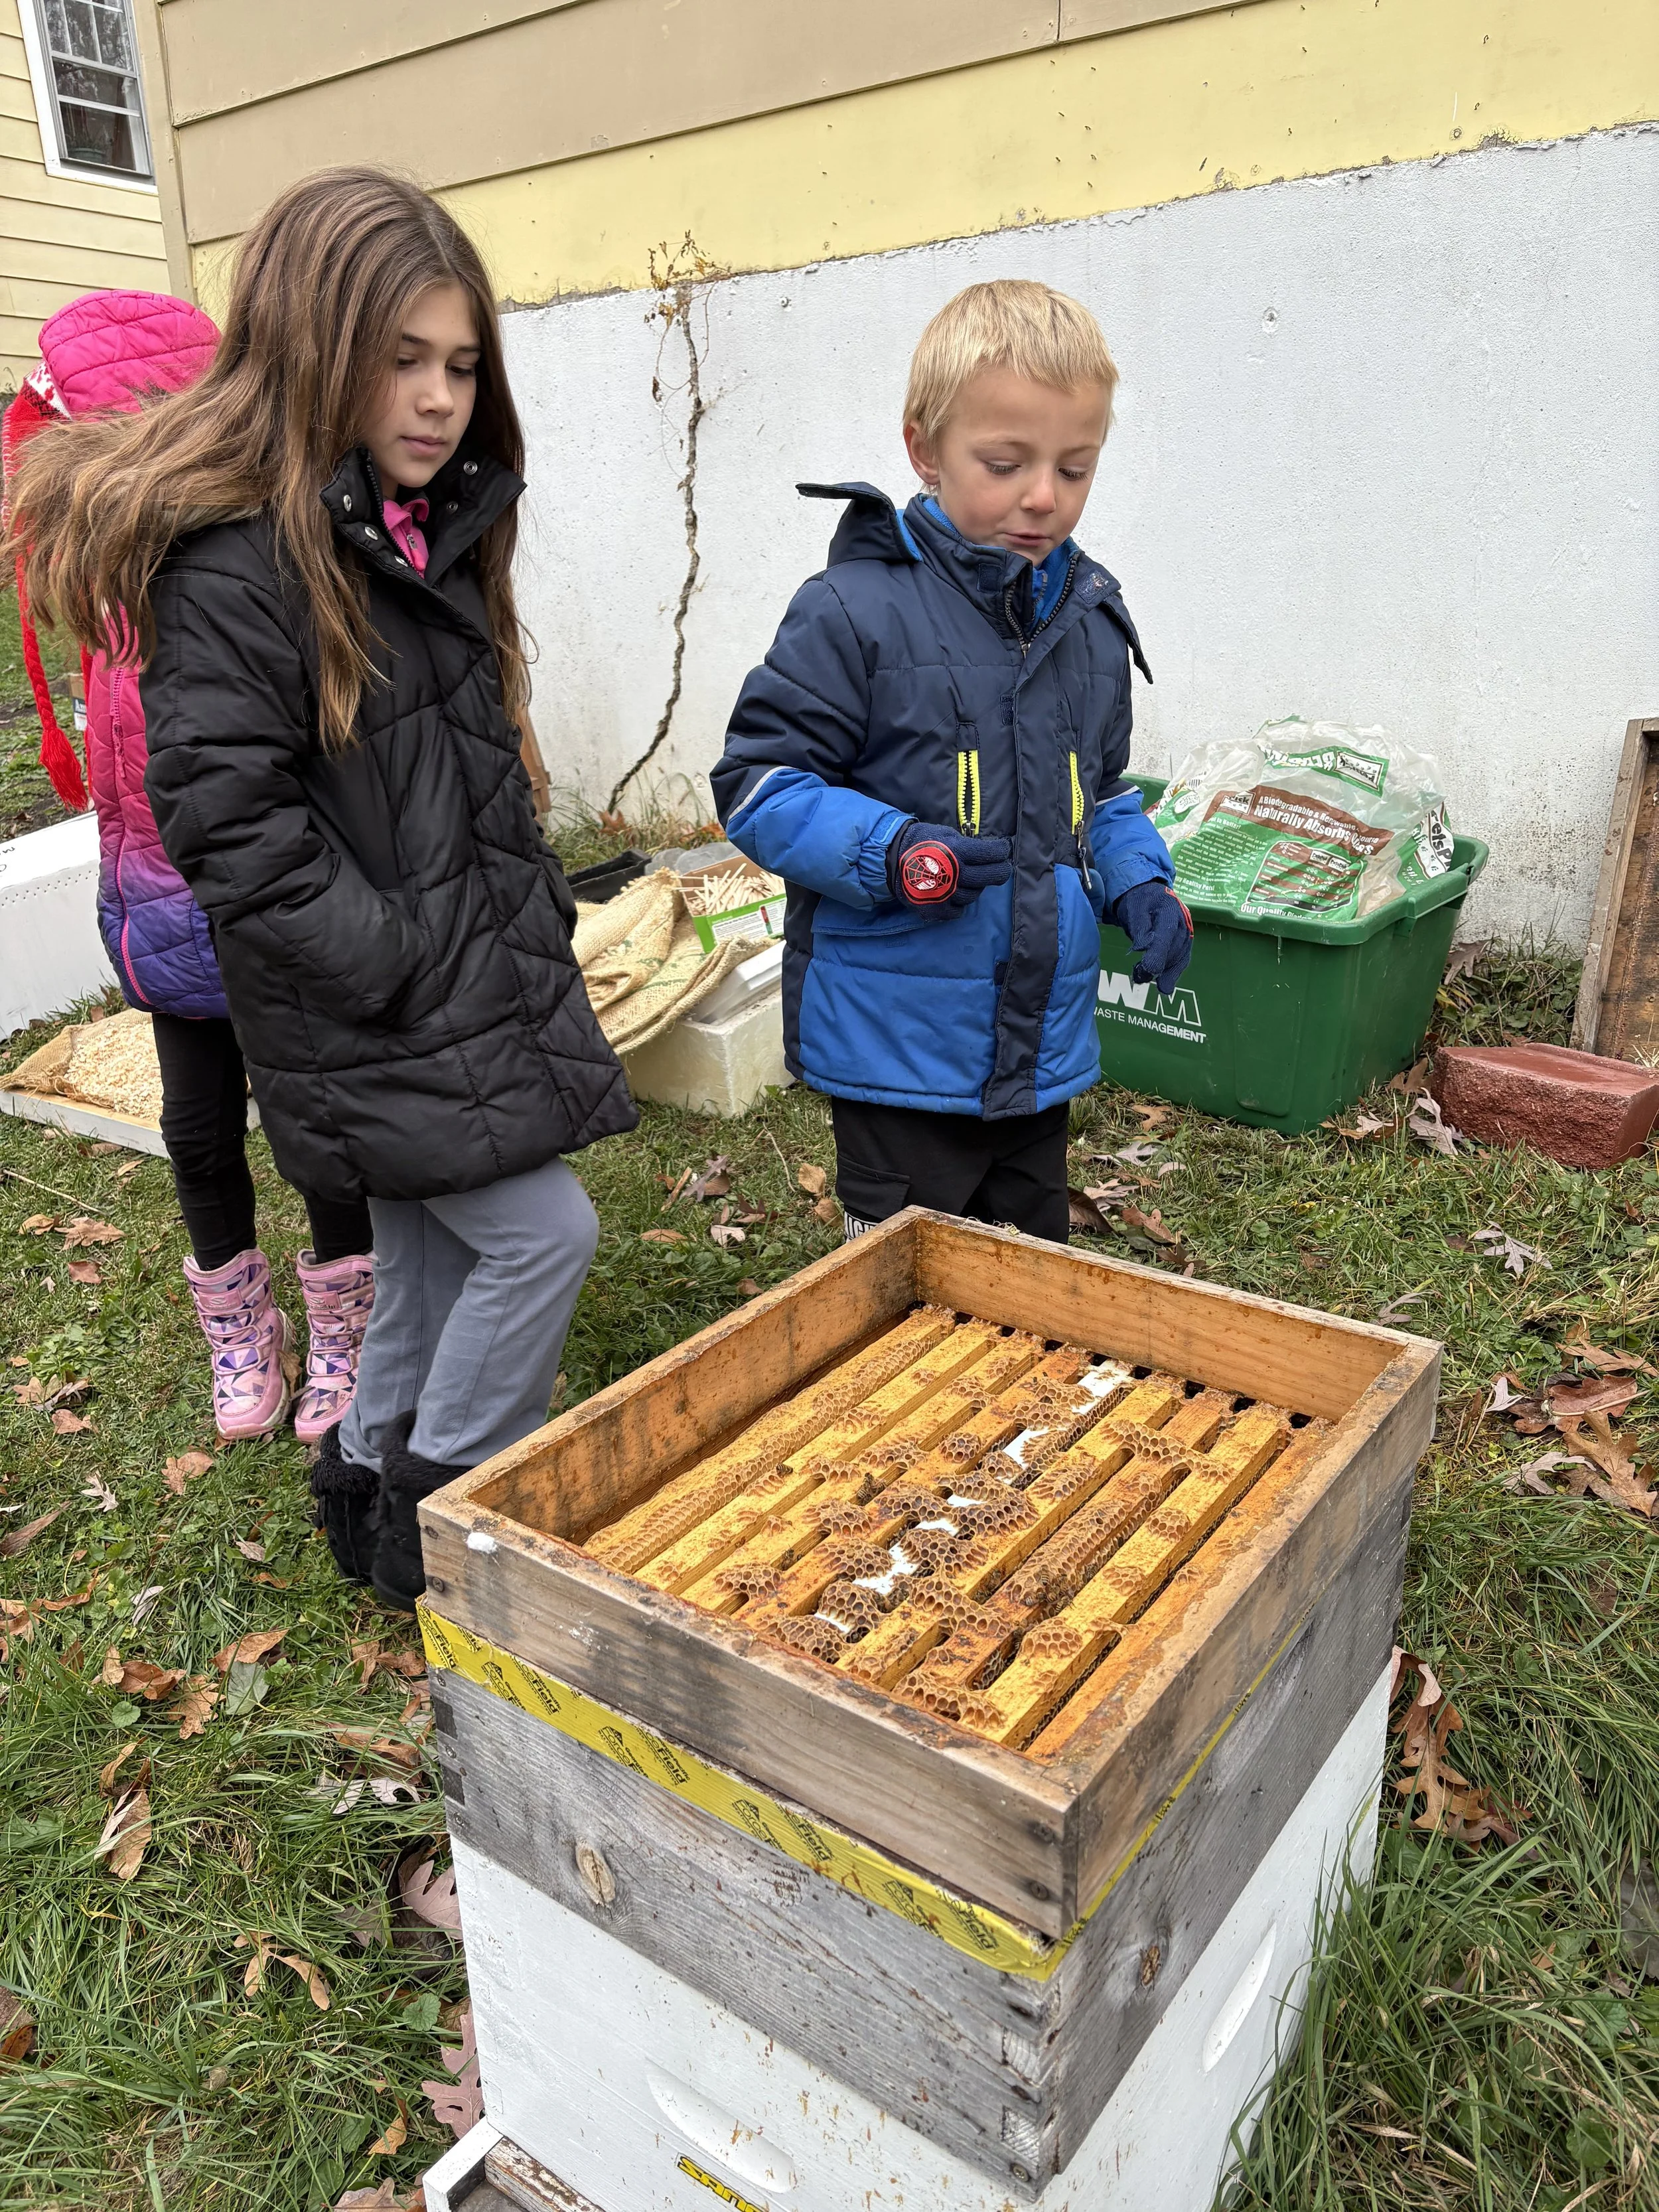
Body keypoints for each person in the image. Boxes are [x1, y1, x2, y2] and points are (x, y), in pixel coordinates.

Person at [3, 169, 635, 1609]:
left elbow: (447, 783)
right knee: (545, 1236)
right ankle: (456, 1504)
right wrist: (402, 958)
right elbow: (233, 826)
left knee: (413, 1255)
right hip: (374, 1003)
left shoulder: (418, 536)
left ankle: (361, 1482)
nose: (437, 399)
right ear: (309, 351)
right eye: (400, 360)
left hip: (442, 981)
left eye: (462, 364)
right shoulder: (243, 567)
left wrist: (513, 910)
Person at [711, 279, 1191, 1242]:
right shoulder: (855, 611)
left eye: (1076, 467)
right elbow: (760, 786)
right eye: (1005, 463)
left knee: (1027, 1271)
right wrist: (887, 853)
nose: (1043, 496)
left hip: (1039, 1040)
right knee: (904, 1280)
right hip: (899, 1043)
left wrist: (1140, 881)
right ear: (924, 449)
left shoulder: (1089, 622)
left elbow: (1101, 796)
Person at [2, 289, 376, 1447]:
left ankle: (347, 1319)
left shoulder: (243, 582)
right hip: (163, 918)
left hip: (265, 913)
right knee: (198, 1133)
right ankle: (240, 1327)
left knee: (315, 1130)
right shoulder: (102, 595)